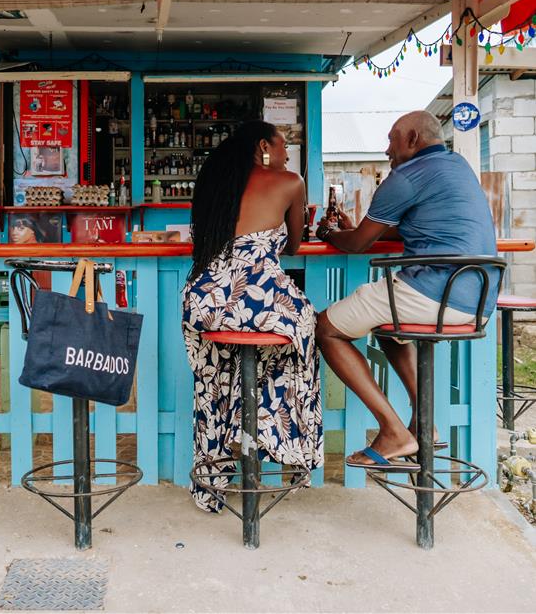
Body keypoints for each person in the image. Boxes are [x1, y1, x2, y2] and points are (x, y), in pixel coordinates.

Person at [315, 110, 499, 471]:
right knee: (387, 327)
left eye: (391, 140)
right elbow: (412, 227)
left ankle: (393, 431)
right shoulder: (458, 166)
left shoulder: (405, 177)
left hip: (434, 293)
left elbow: (358, 244)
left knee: (325, 329)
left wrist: (328, 233)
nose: (387, 150)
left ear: (413, 139)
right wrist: (360, 230)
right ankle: (425, 423)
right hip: (477, 300)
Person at [182, 120, 323, 512]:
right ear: (264, 146)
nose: (286, 154)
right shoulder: (290, 183)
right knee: (302, 335)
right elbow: (294, 246)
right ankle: (282, 440)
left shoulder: (215, 182)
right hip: (258, 300)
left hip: (206, 301)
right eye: (282, 145)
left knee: (214, 379)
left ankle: (221, 455)